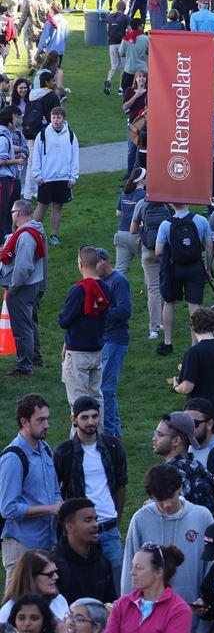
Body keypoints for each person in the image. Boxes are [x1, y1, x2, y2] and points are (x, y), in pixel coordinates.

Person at [50, 400, 125, 579]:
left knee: (116, 586)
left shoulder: (113, 447)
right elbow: (55, 491)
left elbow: (121, 485)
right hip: (77, 532)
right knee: (78, 583)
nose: (91, 422)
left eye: (94, 416)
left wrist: (117, 519)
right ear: (74, 419)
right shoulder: (64, 452)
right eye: (85, 417)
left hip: (108, 528)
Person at [120, 466, 212, 608]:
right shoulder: (141, 519)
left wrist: (205, 618)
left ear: (180, 487)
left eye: (170, 497)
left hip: (192, 610)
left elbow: (211, 568)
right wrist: (128, 610)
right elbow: (129, 570)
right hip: (150, 613)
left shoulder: (202, 517)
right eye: (160, 500)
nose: (166, 505)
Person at [0, 396, 61, 573]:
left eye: (47, 418)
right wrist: (49, 509)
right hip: (22, 547)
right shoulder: (13, 458)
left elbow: (55, 488)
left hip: (48, 545)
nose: (47, 425)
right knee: (19, 600)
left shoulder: (46, 449)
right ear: (24, 422)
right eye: (40, 420)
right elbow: (8, 508)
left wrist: (58, 503)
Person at [102, 543, 190, 633]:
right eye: (133, 566)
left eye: (138, 567)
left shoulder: (179, 609)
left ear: (158, 572)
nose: (132, 572)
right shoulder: (123, 603)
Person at [56, 251, 109, 425]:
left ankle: (79, 447)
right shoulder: (105, 287)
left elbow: (63, 320)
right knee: (96, 400)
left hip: (78, 354)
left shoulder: (80, 290)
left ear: (80, 264)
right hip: (97, 351)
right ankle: (98, 442)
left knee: (78, 405)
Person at [154, 205, 212, 359]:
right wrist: (208, 268)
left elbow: (158, 251)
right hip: (195, 267)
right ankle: (195, 344)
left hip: (174, 267)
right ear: (188, 202)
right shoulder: (200, 220)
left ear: (172, 205)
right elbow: (209, 246)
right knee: (194, 305)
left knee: (169, 302)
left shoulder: (166, 224)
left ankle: (167, 342)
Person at [171, 309, 214, 438]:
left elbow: (187, 387)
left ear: (193, 328)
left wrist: (176, 386)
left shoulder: (194, 352)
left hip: (199, 417)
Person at [0, 206, 47, 379]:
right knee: (28, 324)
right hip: (31, 285)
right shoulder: (33, 231)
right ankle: (33, 358)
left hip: (22, 287)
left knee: (22, 328)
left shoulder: (26, 236)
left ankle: (24, 367)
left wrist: (13, 287)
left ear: (18, 213)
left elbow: (24, 267)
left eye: (12, 211)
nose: (11, 214)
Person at [90, 253, 130, 442]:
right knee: (103, 388)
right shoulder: (98, 282)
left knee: (107, 388)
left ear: (106, 261)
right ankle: (115, 431)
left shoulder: (118, 281)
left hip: (115, 339)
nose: (94, 267)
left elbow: (124, 311)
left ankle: (111, 434)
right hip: (103, 339)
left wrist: (101, 310)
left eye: (96, 262)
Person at [27, 108, 78, 247]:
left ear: (64, 119)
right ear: (50, 118)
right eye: (53, 117)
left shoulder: (71, 136)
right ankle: (30, 234)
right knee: (42, 205)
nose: (56, 120)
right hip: (46, 177)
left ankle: (53, 235)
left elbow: (75, 157)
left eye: (59, 117)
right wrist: (37, 174)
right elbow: (36, 156)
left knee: (58, 206)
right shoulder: (42, 135)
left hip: (63, 177)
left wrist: (73, 177)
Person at [50, 502, 115, 607]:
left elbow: (111, 603)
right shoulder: (54, 565)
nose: (95, 524)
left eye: (96, 519)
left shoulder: (103, 561)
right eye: (88, 520)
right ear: (70, 527)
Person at [0, 552, 68, 629]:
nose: (56, 577)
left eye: (56, 571)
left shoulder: (59, 600)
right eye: (50, 574)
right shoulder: (8, 611)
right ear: (31, 577)